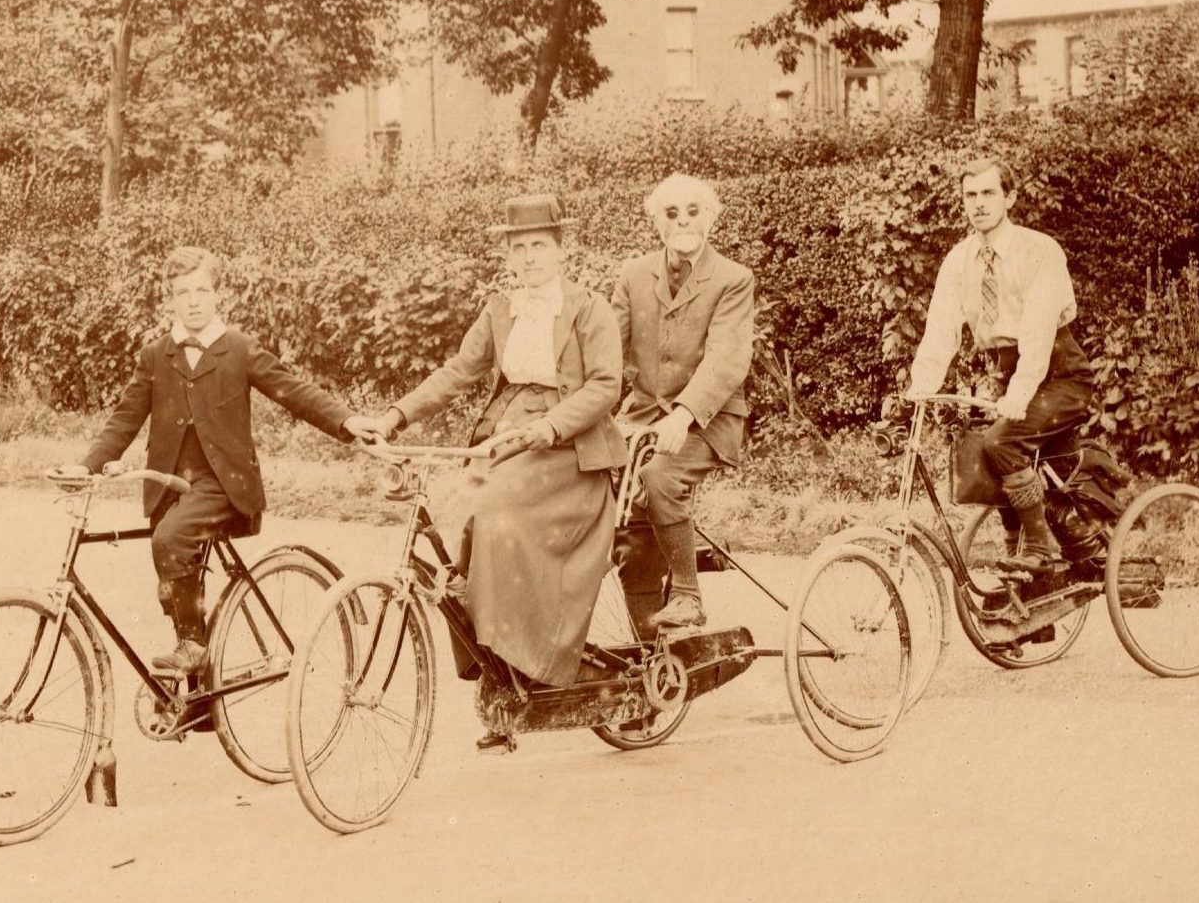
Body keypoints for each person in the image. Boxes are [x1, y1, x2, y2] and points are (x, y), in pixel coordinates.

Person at [350, 194, 626, 730]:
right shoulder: (502, 308)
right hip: (506, 440)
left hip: (571, 450)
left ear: (560, 249)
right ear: (508, 254)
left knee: (496, 518)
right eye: (519, 248)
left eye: (539, 246)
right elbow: (458, 371)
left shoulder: (588, 307)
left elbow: (605, 385)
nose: (529, 258)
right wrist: (395, 416)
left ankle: (534, 661)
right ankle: (501, 667)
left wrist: (549, 426)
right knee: (468, 529)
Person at [57, 246, 377, 676]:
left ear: (217, 296)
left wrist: (346, 420)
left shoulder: (239, 349)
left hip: (223, 486)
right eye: (183, 291)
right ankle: (198, 701)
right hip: (172, 488)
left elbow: (293, 391)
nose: (192, 300)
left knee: (169, 542)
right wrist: (88, 465)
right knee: (175, 592)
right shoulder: (156, 355)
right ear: (169, 298)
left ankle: (192, 647)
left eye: (202, 290)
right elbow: (125, 417)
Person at [905, 157, 1097, 574]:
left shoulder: (1039, 250)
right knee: (979, 447)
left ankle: (1041, 552)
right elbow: (941, 327)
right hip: (1005, 374)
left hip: (1059, 373)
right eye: (970, 195)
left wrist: (1020, 392)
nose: (979, 203)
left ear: (1009, 197)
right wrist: (921, 385)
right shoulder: (958, 261)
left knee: (1000, 443)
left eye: (989, 192)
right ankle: (1022, 566)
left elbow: (1038, 330)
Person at [611, 173, 756, 634]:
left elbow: (726, 359)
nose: (683, 222)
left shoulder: (733, 279)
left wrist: (684, 413)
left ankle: (689, 595)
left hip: (706, 423)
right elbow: (606, 353)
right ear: (656, 221)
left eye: (694, 211)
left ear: (711, 218)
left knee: (658, 477)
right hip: (641, 419)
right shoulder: (634, 275)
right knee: (615, 504)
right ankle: (647, 650)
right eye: (671, 213)